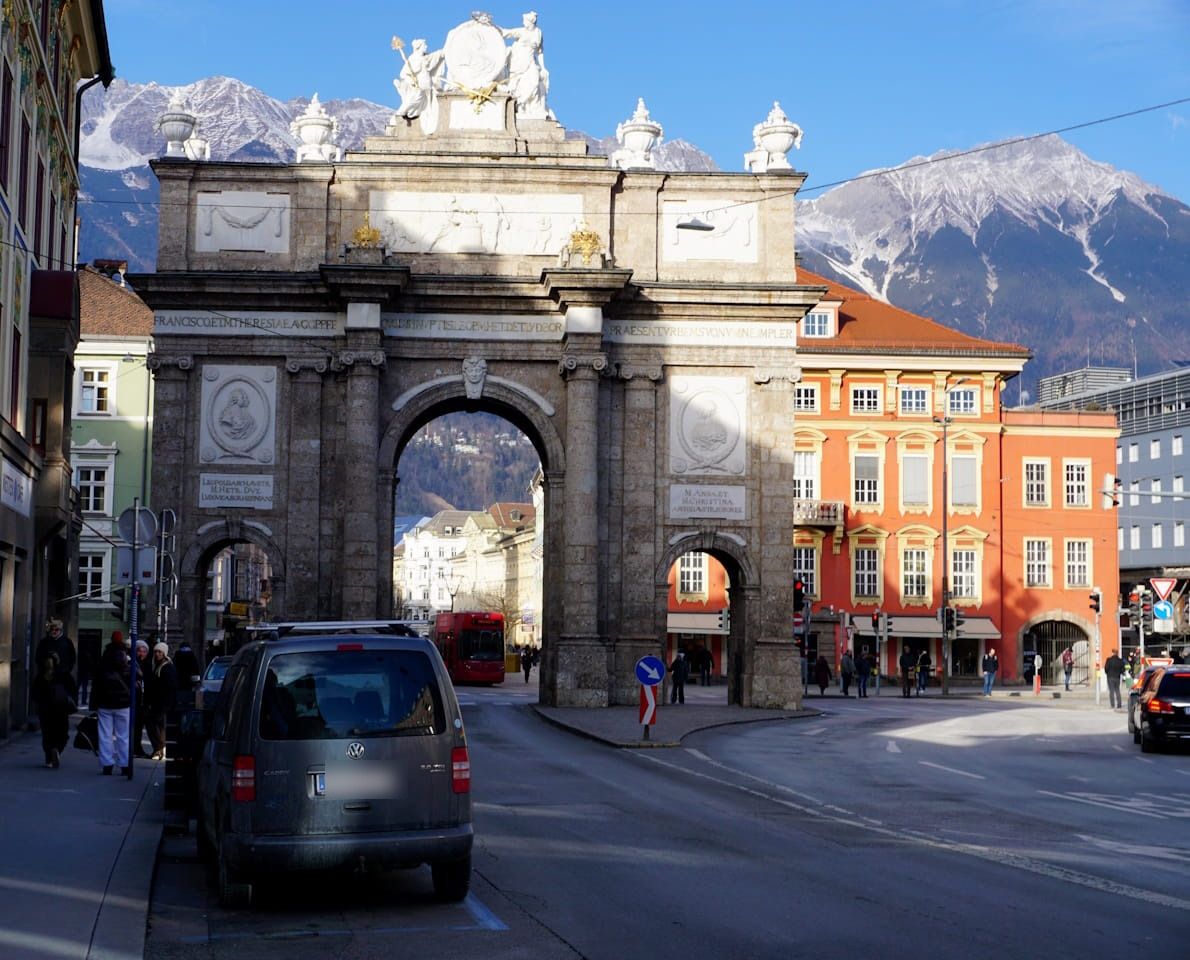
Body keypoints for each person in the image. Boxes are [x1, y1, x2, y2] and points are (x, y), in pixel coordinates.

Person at [91, 632, 132, 775]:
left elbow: (96, 684)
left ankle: (107, 763)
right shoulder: (127, 661)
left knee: (105, 734)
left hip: (105, 702)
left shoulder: (104, 660)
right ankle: (125, 763)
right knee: (123, 735)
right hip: (123, 703)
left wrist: (93, 704)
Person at [501, 11, 551, 119]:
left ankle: (520, 103)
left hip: (531, 61)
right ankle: (518, 106)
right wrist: (492, 28)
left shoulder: (538, 33)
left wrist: (543, 67)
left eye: (525, 21)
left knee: (534, 82)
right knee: (514, 86)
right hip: (518, 62)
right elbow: (505, 33)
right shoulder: (521, 32)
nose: (523, 23)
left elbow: (540, 52)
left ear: (531, 22)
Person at [31, 652, 77, 768]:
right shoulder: (63, 675)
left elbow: (34, 693)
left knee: (47, 734)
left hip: (45, 709)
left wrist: (40, 702)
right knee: (62, 733)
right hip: (60, 708)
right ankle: (56, 749)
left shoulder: (41, 676)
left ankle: (49, 757)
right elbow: (72, 689)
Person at [147, 642, 178, 760]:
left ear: (164, 653)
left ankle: (160, 749)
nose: (157, 654)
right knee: (157, 726)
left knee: (157, 726)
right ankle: (159, 749)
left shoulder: (167, 667)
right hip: (159, 703)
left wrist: (165, 704)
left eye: (159, 652)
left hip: (163, 703)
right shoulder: (159, 665)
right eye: (155, 651)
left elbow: (169, 687)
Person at [131, 640, 152, 758]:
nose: (141, 653)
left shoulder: (148, 665)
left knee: (139, 727)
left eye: (144, 651)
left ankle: (137, 747)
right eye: (139, 651)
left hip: (143, 700)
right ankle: (134, 748)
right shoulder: (133, 663)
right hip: (135, 699)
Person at [77, 631, 101, 710]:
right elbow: (91, 664)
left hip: (81, 671)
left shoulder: (81, 655)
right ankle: (83, 701)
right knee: (84, 687)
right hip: (85, 672)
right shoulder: (88, 656)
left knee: (79, 687)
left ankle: (78, 700)